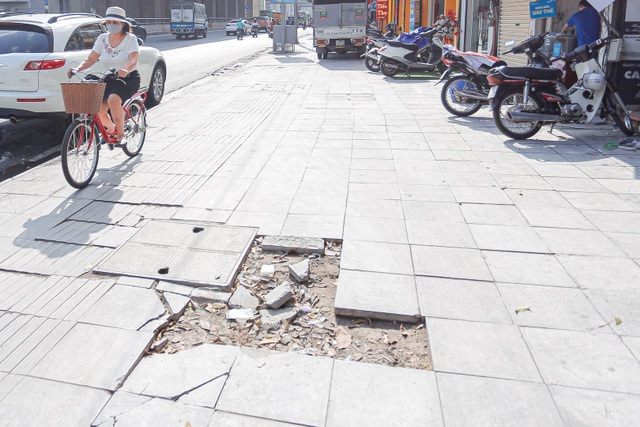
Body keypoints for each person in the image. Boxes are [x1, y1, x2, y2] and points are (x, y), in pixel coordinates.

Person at [67, 6, 140, 144]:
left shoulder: (131, 39)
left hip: (128, 78)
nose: (111, 25)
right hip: (108, 78)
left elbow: (133, 59)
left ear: (122, 24)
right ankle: (113, 129)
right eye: (109, 22)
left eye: (115, 22)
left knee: (113, 99)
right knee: (98, 110)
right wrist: (77, 68)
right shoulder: (102, 39)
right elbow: (91, 59)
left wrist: (125, 69)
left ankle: (121, 135)